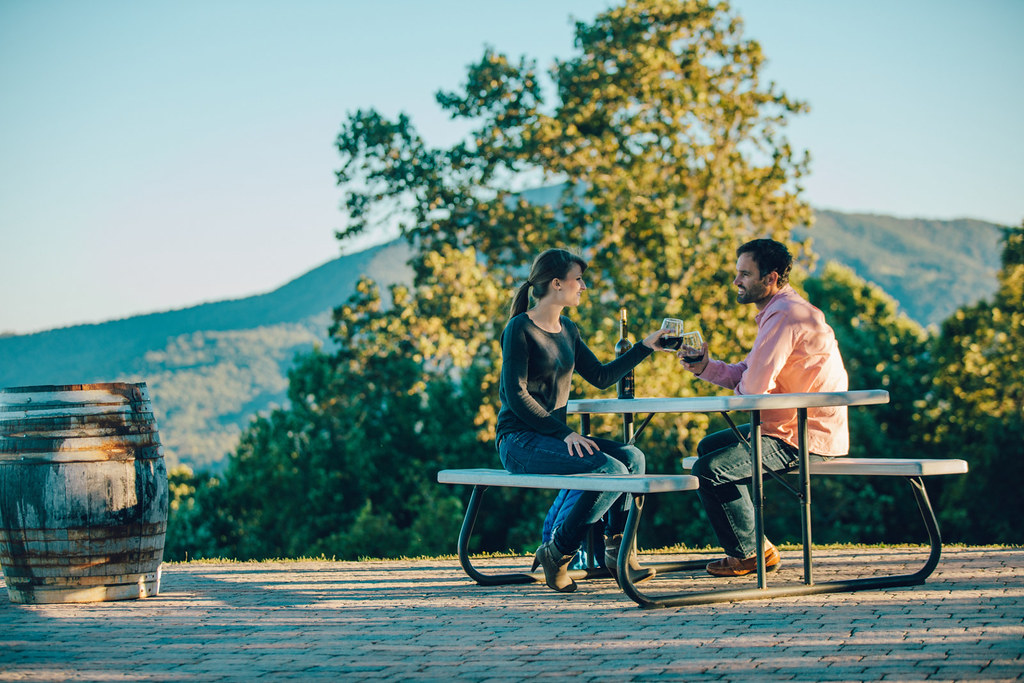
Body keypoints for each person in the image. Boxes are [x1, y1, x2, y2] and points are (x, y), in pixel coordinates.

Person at [496, 248, 668, 593]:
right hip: (519, 442)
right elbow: (516, 395)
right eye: (578, 280)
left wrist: (647, 346)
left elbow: (602, 377)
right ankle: (558, 553)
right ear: (556, 284)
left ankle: (616, 550)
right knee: (610, 472)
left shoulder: (568, 330)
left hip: (552, 439)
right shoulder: (519, 328)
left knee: (632, 458)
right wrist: (565, 433)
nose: (583, 286)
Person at [674, 238, 849, 577]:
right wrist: (704, 367)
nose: (736, 282)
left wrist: (744, 386)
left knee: (710, 469)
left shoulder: (785, 316)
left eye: (744, 274)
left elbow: (753, 388)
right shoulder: (782, 311)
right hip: (787, 427)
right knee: (709, 448)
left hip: (803, 435)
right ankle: (756, 547)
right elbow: (749, 373)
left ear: (770, 278)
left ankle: (752, 553)